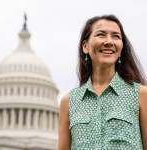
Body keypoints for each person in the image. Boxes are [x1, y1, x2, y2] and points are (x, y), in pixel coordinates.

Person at [58, 14, 147, 150]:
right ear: (85, 46)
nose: (109, 41)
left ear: (121, 48)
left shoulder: (141, 95)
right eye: (101, 34)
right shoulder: (68, 101)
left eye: (116, 36)